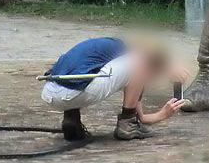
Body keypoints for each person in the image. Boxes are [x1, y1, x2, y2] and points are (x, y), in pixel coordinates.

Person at [41, 36, 189, 141]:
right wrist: (169, 66)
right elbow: (147, 58)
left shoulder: (110, 52)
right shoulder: (134, 56)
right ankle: (127, 125)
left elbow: (143, 119)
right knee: (139, 61)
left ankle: (71, 119)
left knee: (82, 70)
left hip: (49, 91)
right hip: (73, 92)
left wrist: (163, 114)